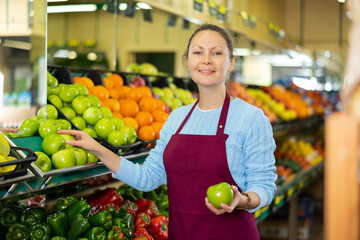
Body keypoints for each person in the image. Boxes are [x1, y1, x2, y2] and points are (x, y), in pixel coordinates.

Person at [60, 23, 277, 239]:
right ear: (188, 61)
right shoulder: (177, 118)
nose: (206, 60)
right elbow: (147, 178)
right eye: (198, 52)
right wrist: (96, 148)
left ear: (231, 62)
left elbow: (264, 186)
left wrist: (243, 200)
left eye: (217, 53)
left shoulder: (250, 118)